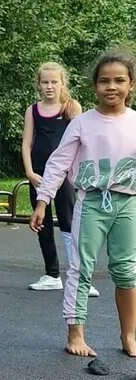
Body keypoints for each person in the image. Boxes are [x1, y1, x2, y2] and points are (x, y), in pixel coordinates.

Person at [30, 48, 136, 360]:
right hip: (90, 202)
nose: (111, 87)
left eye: (119, 80)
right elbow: (58, 164)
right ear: (95, 86)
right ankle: (75, 332)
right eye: (104, 81)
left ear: (131, 84)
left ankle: (129, 333)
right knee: (81, 267)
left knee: (127, 271)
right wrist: (42, 200)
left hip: (127, 202)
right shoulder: (82, 123)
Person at [21, 63, 98, 295]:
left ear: (62, 83)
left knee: (69, 222)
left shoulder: (70, 107)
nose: (50, 86)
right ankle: (52, 274)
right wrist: (29, 171)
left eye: (54, 82)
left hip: (64, 175)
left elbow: (83, 140)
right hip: (38, 175)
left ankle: (81, 276)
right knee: (41, 224)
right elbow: (26, 143)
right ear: (38, 84)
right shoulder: (32, 110)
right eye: (45, 82)